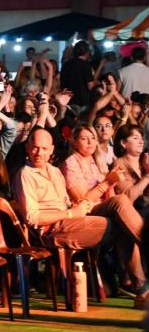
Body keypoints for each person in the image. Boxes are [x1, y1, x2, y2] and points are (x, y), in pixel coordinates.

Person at [14, 128, 148, 307]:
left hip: (72, 219)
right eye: (35, 147)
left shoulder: (54, 171)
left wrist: (78, 208)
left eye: (44, 149)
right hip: (53, 230)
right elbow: (32, 218)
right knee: (121, 225)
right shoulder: (25, 174)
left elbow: (68, 203)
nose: (39, 153)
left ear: (52, 150)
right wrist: (72, 212)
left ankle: (142, 291)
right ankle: (142, 292)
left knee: (120, 201)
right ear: (28, 147)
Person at [60, 40, 97, 111]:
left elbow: (62, 82)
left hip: (67, 99)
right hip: (82, 101)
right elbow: (90, 86)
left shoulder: (66, 64)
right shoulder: (86, 65)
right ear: (87, 52)